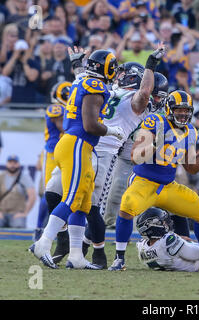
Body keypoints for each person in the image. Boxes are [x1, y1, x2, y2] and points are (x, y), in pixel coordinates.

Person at [110, 89, 199, 273]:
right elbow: (135, 156)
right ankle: (119, 259)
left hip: (167, 186)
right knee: (127, 207)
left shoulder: (191, 131)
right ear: (168, 109)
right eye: (178, 110)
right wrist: (155, 144)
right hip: (144, 182)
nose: (183, 114)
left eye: (186, 111)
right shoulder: (155, 121)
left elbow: (191, 168)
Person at [29, 49, 125, 270]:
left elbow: (82, 80)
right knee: (72, 199)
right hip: (78, 144)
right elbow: (90, 125)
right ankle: (43, 242)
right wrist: (112, 131)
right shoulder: (95, 86)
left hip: (75, 144)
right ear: (106, 68)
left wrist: (77, 65)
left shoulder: (83, 81)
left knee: (83, 202)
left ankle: (76, 256)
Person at [102, 70, 169, 230]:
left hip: (150, 160)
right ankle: (109, 225)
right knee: (115, 191)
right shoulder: (135, 103)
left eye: (160, 96)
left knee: (148, 198)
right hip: (125, 157)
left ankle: (144, 229)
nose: (156, 100)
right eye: (153, 95)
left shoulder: (163, 114)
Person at [33, 81, 71, 241]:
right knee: (49, 192)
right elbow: (64, 126)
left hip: (65, 152)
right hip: (52, 154)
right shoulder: (55, 108)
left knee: (66, 192)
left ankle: (59, 230)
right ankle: (39, 228)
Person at [0, 155, 36, 228]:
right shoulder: (1, 176)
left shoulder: (24, 177)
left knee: (19, 227)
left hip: (17, 214)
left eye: (15, 162)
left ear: (18, 164)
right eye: (10, 162)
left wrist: (25, 213)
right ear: (6, 164)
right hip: (1, 213)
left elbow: (32, 196)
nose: (12, 165)